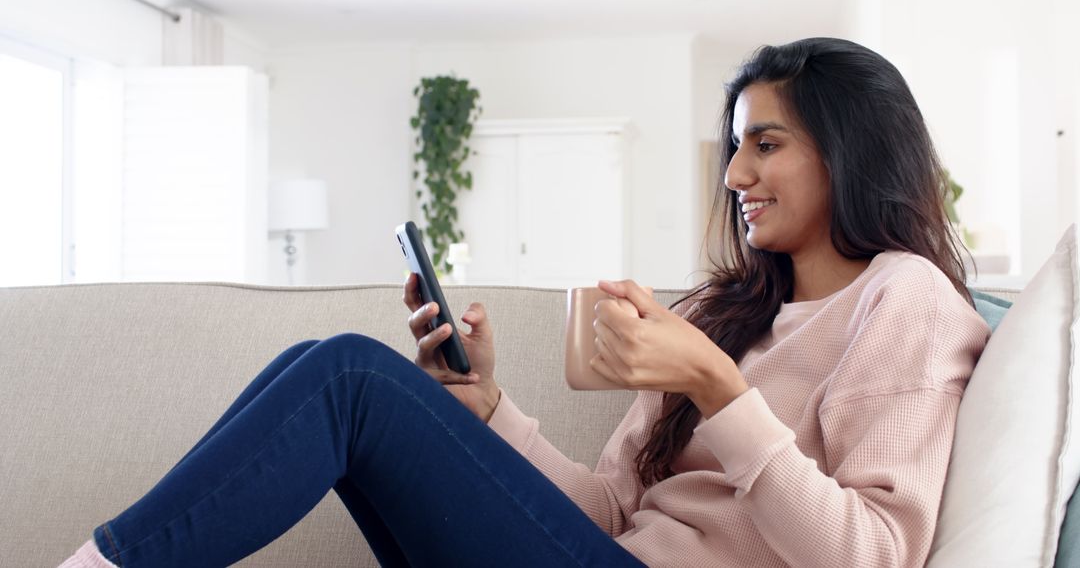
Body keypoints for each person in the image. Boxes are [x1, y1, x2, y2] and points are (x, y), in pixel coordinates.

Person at [60, 37, 989, 568]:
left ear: (848, 151)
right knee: (319, 367)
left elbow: (873, 556)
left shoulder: (903, 302)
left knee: (348, 375)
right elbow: (612, 518)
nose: (737, 173)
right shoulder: (726, 311)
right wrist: (490, 411)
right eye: (734, 148)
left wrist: (718, 391)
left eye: (766, 145)